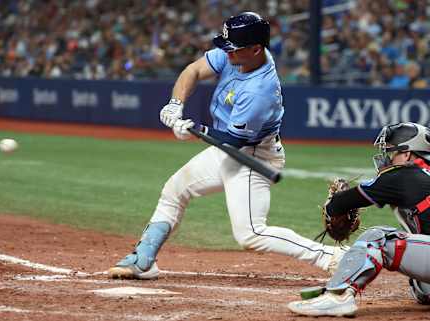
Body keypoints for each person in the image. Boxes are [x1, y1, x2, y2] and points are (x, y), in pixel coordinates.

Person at [108, 12, 345, 280]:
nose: (226, 53)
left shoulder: (260, 90)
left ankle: (333, 258)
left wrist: (197, 130)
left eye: (233, 49)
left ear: (256, 49)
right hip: (229, 150)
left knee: (251, 234)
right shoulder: (239, 53)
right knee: (175, 190)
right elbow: (194, 70)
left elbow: (236, 140)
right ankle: (143, 259)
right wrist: (176, 104)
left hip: (252, 155)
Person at [288, 122, 430, 317]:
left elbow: (338, 205)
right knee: (421, 288)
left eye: (392, 153)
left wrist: (334, 204)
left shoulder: (402, 175)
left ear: (407, 154)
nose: (388, 159)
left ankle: (339, 296)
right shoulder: (421, 175)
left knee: (379, 238)